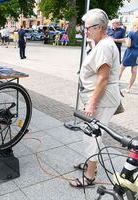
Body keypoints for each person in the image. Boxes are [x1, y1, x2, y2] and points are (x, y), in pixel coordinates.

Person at [69, 9, 121, 188]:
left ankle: (90, 176)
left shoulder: (105, 45)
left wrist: (91, 103)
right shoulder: (100, 43)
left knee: (92, 137)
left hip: (102, 100)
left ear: (99, 27)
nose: (85, 31)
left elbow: (103, 78)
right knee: (90, 134)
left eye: (88, 28)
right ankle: (89, 164)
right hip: (100, 98)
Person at [119, 18, 138, 93]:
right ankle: (128, 88)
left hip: (130, 53)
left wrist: (126, 40)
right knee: (134, 71)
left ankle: (114, 85)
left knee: (121, 69)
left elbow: (128, 45)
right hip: (137, 54)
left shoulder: (131, 33)